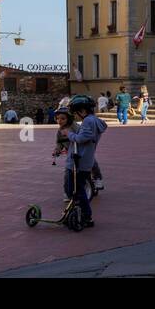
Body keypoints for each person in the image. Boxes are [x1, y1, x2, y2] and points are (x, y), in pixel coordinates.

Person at [62, 95, 107, 228]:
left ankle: (86, 216)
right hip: (85, 160)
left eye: (76, 113)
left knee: (74, 190)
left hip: (79, 161)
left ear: (82, 111)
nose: (75, 116)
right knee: (77, 190)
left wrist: (68, 134)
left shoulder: (88, 121)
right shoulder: (94, 120)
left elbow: (83, 138)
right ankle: (78, 213)